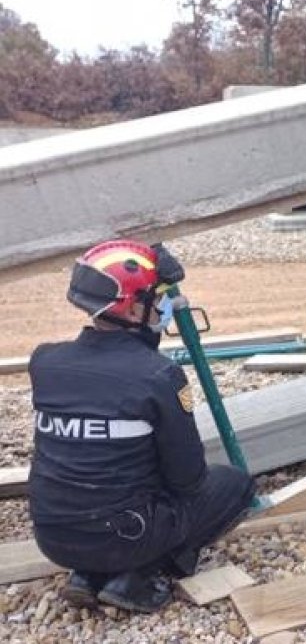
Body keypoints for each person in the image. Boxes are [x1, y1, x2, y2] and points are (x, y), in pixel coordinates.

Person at [28, 240, 256, 613]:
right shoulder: (158, 376)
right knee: (234, 485)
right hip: (126, 536)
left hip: (51, 535)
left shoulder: (45, 362)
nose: (164, 306)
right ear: (134, 309)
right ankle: (137, 575)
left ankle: (86, 574)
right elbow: (189, 480)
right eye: (156, 297)